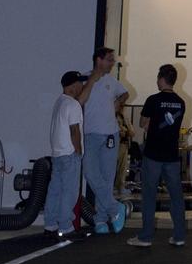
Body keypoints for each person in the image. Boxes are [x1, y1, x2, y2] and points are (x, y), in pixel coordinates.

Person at [128, 64, 187, 248]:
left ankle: (146, 237)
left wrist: (151, 123)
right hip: (171, 156)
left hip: (153, 154)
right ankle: (179, 236)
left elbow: (142, 122)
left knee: (149, 195)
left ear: (161, 79)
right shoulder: (181, 102)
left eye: (157, 78)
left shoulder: (153, 100)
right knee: (176, 196)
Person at [79, 47, 129, 235]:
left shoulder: (112, 82)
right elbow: (79, 101)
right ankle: (115, 209)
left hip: (110, 135)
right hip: (90, 134)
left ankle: (100, 220)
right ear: (98, 60)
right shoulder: (84, 79)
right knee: (91, 173)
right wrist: (91, 80)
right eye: (109, 59)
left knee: (107, 178)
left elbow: (125, 94)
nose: (112, 63)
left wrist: (119, 103)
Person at [43, 71, 87, 239]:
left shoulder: (59, 102)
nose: (82, 86)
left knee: (55, 190)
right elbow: (74, 130)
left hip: (57, 153)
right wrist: (78, 151)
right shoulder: (73, 105)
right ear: (73, 85)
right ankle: (66, 226)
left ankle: (50, 224)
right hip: (69, 153)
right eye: (80, 83)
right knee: (69, 192)